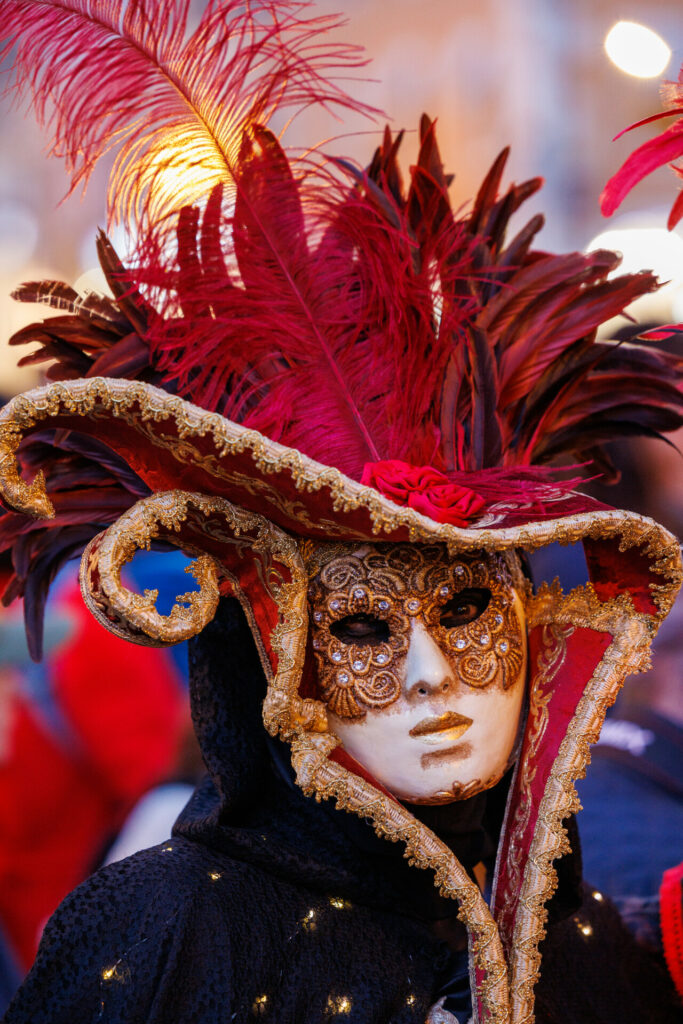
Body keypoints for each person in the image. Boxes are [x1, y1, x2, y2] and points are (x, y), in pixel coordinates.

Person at [1, 2, 682, 1021]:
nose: (427, 676)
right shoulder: (168, 939)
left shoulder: (579, 937)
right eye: (362, 625)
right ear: (280, 653)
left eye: (463, 611)